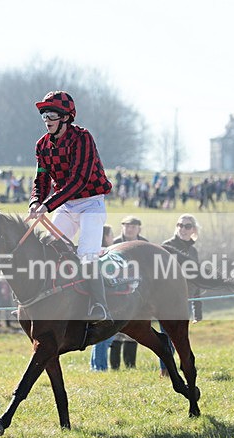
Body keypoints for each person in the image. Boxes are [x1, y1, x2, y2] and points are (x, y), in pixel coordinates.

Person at [28, 90, 113, 324]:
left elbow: (79, 180)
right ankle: (45, 302)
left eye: (52, 115)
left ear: (66, 117)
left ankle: (99, 304)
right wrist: (36, 200)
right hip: (66, 204)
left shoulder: (83, 138)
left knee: (86, 254)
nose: (47, 121)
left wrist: (48, 205)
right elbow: (42, 178)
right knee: (49, 249)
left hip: (91, 203)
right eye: (44, 116)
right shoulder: (42, 145)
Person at [159, 214, 203, 376]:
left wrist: (197, 309)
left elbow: (196, 280)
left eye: (187, 226)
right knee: (166, 336)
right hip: (166, 300)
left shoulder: (193, 251)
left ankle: (174, 369)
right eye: (180, 225)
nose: (183, 229)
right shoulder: (167, 246)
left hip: (184, 301)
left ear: (193, 230)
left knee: (179, 336)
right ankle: (165, 370)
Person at [110, 215, 148, 368]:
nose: (129, 228)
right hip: (117, 290)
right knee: (115, 331)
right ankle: (114, 366)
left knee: (134, 329)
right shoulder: (115, 244)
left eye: (132, 226)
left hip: (137, 290)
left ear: (139, 228)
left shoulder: (144, 245)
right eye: (126, 225)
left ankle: (130, 365)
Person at [90, 225, 116, 371]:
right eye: (111, 235)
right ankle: (99, 367)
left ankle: (96, 366)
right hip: (108, 298)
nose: (112, 238)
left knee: (102, 338)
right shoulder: (104, 253)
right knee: (105, 336)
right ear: (105, 236)